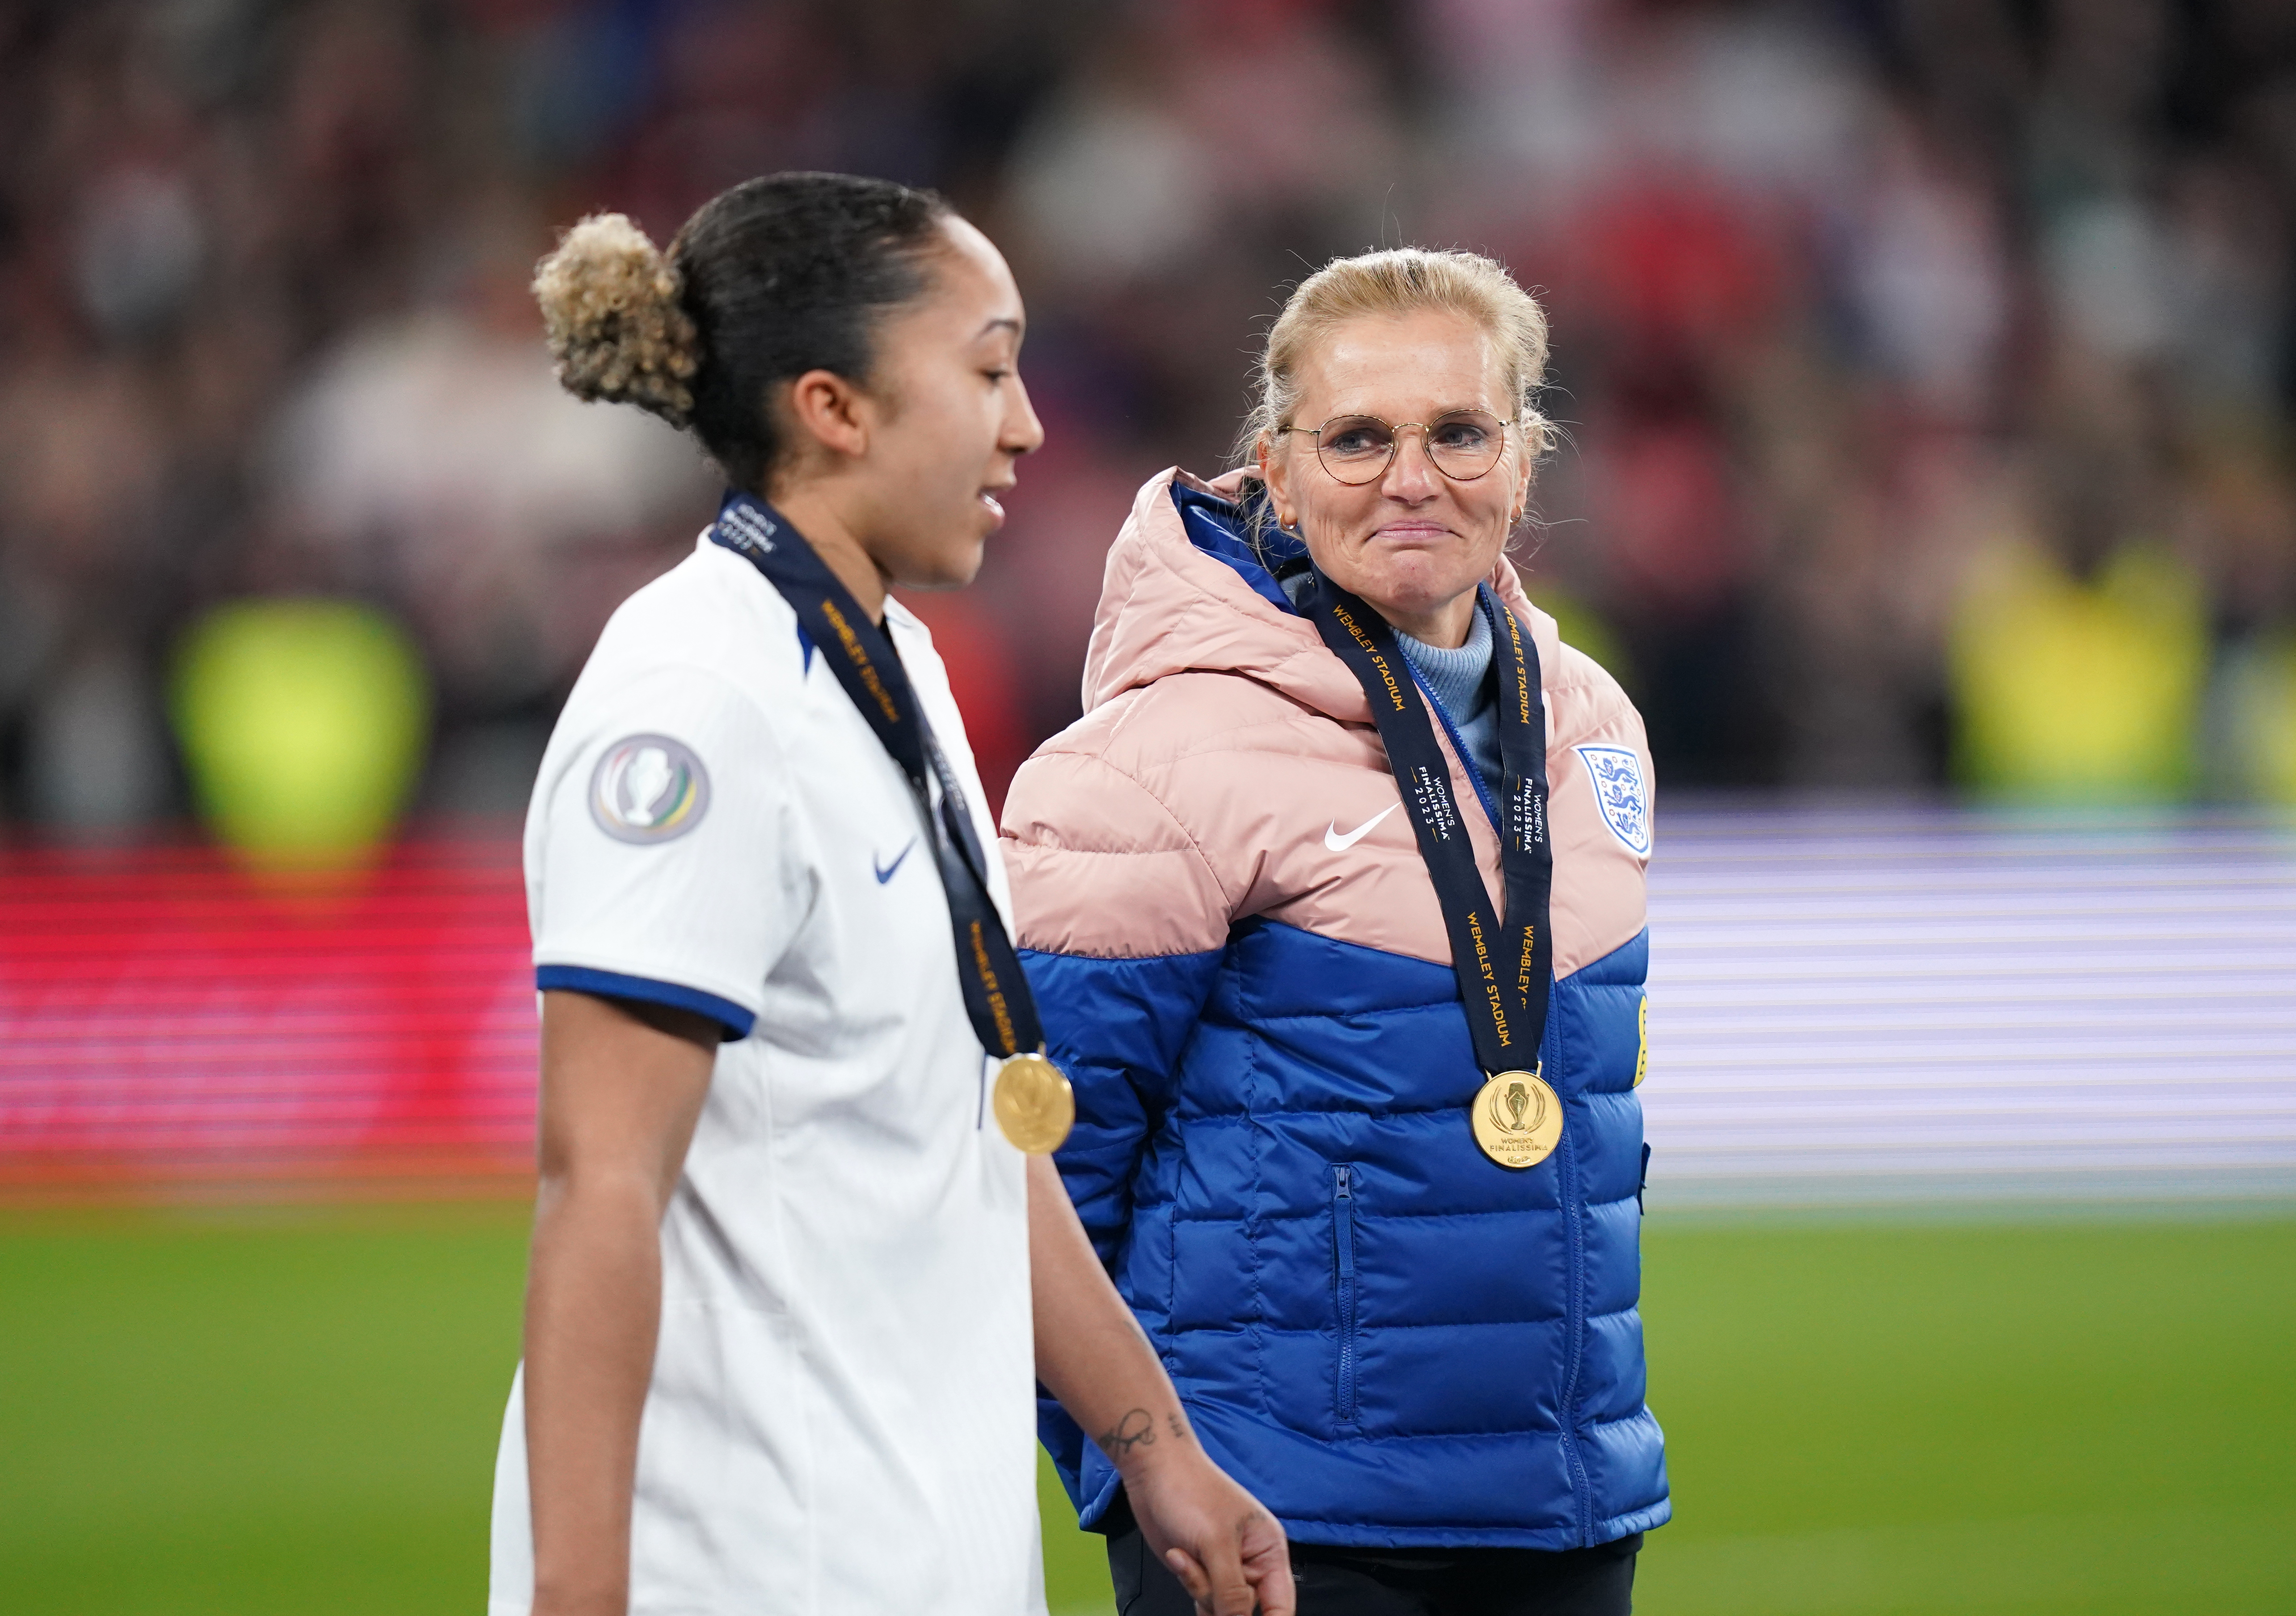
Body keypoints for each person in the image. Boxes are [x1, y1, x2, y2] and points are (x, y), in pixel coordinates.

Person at [490, 172, 1291, 1616]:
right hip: (750, 1566)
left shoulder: (895, 665)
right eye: (987, 366)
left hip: (921, 1548)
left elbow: (974, 1133)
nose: (1029, 420)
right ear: (834, 408)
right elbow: (600, 1188)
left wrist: (1158, 1448)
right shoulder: (697, 701)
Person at [1001, 248, 1666, 1615]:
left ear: (1525, 461)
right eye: (1357, 438)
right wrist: (1146, 1467)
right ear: (1279, 469)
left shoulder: (1593, 725)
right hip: (1279, 1522)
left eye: (1459, 433)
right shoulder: (1145, 763)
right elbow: (1029, 1179)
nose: (1410, 477)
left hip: (1570, 1505)